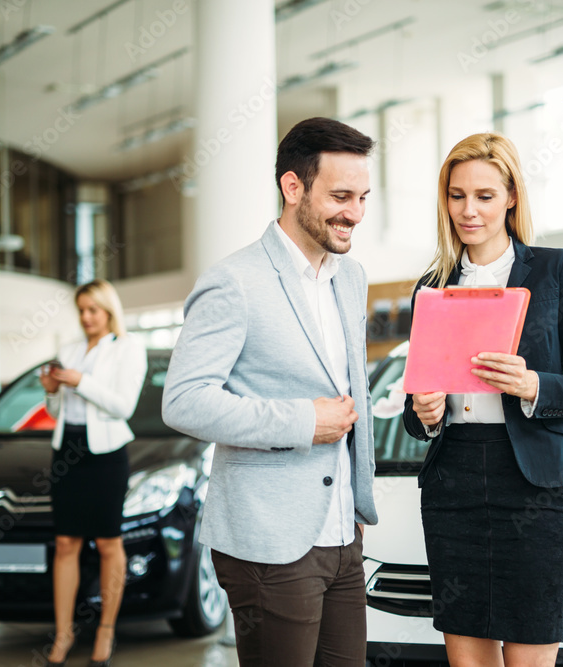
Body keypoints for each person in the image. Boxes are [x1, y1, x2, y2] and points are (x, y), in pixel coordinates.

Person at [161, 117, 379, 667]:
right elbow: (184, 399)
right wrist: (301, 422)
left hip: (341, 532)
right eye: (340, 196)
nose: (354, 212)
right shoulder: (234, 281)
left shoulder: (350, 278)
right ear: (293, 187)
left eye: (362, 197)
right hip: (268, 540)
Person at [402, 133, 563, 667]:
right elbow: (417, 402)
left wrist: (533, 385)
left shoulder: (555, 270)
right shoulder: (432, 284)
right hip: (454, 486)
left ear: (512, 196)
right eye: (456, 195)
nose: (468, 210)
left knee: (530, 651)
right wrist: (424, 414)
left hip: (535, 488)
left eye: (485, 196)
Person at [40, 279, 147, 667]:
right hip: (66, 450)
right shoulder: (68, 350)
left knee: (107, 544)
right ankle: (64, 632)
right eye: (81, 310)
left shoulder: (129, 348)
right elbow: (56, 413)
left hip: (106, 455)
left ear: (108, 311)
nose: (85, 318)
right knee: (66, 543)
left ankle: (105, 630)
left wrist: (80, 381)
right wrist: (52, 389)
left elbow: (123, 406)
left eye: (92, 310)